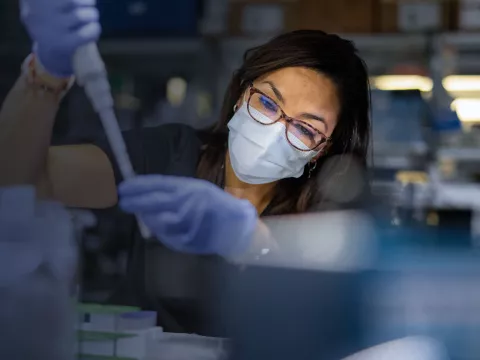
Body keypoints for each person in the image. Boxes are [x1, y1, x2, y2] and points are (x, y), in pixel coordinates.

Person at [0, 0, 371, 333]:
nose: (275, 130)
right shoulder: (170, 154)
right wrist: (46, 73)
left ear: (323, 150)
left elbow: (338, 326)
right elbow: (23, 178)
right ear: (242, 92)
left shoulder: (333, 211)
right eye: (268, 104)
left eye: (305, 129)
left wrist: (251, 241)